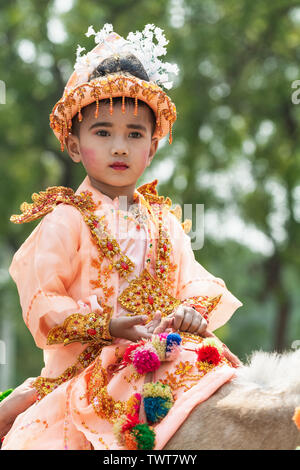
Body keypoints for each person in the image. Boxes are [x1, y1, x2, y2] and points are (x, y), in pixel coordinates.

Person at [2, 24, 243, 450]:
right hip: (81, 374)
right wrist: (105, 325)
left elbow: (197, 281)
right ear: (74, 146)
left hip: (163, 355)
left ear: (151, 148)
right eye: (102, 132)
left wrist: (189, 312)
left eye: (134, 134)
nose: (119, 147)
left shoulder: (166, 221)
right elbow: (42, 302)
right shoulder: (66, 219)